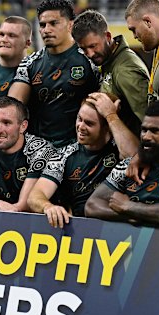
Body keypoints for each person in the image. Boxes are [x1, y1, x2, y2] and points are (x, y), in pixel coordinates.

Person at [85, 101, 159, 226]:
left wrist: (128, 206)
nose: (146, 137)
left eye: (155, 131)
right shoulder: (129, 164)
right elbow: (91, 205)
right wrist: (129, 216)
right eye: (144, 130)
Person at [28, 92, 139, 228]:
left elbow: (135, 157)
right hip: (78, 230)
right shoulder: (65, 155)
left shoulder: (119, 149)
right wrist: (48, 207)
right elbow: (35, 196)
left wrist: (111, 116)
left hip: (116, 229)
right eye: (79, 119)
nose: (80, 126)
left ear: (107, 127)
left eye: (89, 123)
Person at [8, 0, 98, 147]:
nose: (46, 30)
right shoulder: (29, 64)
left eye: (53, 23)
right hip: (38, 150)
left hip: (77, 150)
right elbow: (12, 107)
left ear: (70, 25)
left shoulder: (90, 61)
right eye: (42, 25)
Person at [72, 9, 149, 134]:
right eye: (83, 49)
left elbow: (147, 120)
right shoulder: (108, 61)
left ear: (107, 36)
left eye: (93, 46)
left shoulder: (125, 70)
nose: (89, 54)